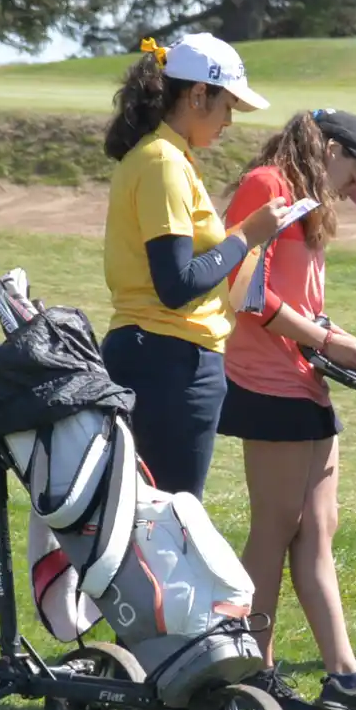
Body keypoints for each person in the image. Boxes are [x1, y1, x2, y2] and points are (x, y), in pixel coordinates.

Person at [218, 109, 356, 710]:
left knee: (318, 527)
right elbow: (243, 292)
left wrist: (344, 339)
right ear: (329, 148)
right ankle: (256, 670)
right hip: (266, 383)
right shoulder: (266, 187)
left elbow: (299, 304)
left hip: (305, 382)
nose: (351, 192)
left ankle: (343, 675)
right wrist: (330, 343)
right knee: (274, 527)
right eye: (353, 177)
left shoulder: (301, 197)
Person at [99, 33, 287, 499]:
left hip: (163, 356)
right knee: (169, 521)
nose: (228, 122)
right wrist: (245, 237)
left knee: (155, 519)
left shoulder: (169, 157)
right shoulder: (163, 162)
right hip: (167, 361)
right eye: (227, 107)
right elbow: (176, 284)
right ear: (198, 94)